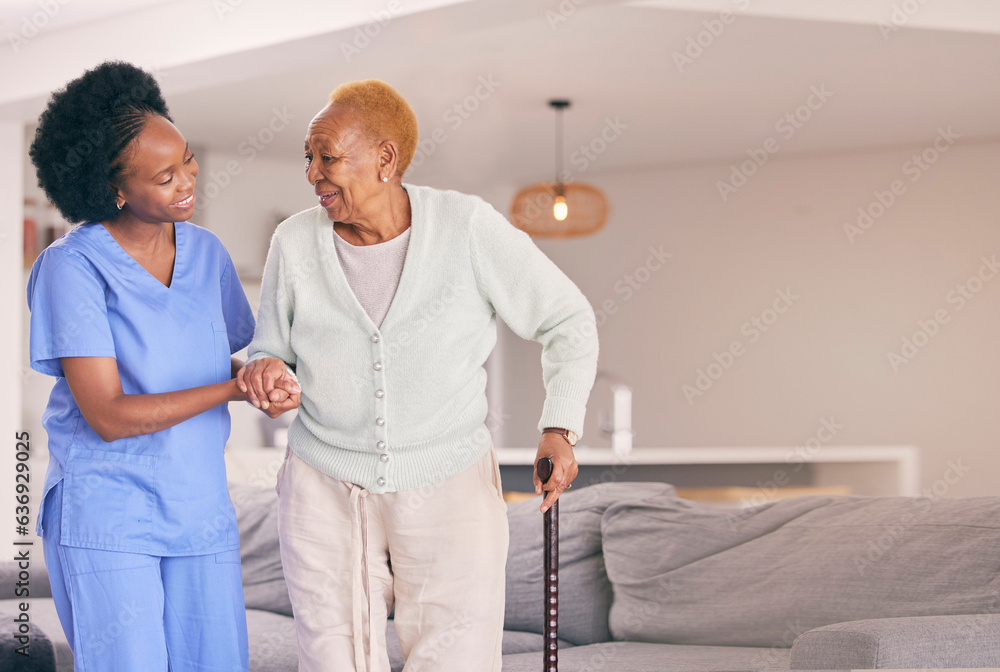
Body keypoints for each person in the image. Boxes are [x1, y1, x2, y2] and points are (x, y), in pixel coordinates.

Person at [239, 79, 599, 672]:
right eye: (308, 156)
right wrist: (267, 372)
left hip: (447, 478)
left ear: (385, 158)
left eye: (327, 156)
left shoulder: (466, 228)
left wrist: (560, 427)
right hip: (323, 482)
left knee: (455, 655)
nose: (312, 173)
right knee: (334, 658)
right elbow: (271, 350)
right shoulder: (295, 241)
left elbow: (567, 318)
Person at [25, 61, 300, 672]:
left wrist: (256, 376)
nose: (187, 183)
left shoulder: (206, 253)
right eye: (166, 175)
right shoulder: (72, 268)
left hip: (199, 507)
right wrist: (233, 386)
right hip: (108, 512)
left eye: (187, 161)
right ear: (113, 190)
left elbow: (207, 357)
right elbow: (108, 415)